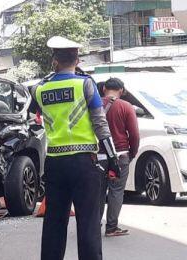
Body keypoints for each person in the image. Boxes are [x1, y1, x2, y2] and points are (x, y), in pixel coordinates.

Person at [30, 36, 121, 260]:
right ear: (77, 60)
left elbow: (33, 118)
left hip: (55, 163)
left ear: (54, 61)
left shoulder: (39, 88)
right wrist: (112, 159)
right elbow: (100, 123)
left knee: (54, 223)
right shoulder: (85, 84)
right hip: (84, 163)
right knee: (88, 223)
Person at [98, 78, 140, 237]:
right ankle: (111, 227)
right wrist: (132, 152)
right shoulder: (126, 106)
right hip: (120, 155)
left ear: (104, 89)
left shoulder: (94, 105)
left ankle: (94, 226)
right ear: (121, 91)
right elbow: (134, 134)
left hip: (98, 156)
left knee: (98, 192)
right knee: (116, 191)